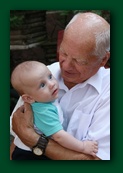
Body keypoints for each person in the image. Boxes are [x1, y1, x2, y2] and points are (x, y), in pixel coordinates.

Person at [10, 12, 110, 160]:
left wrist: (35, 140)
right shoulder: (43, 74)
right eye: (63, 53)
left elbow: (95, 161)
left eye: (79, 61)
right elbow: (19, 132)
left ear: (103, 60)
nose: (66, 66)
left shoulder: (108, 91)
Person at [11, 60, 98, 160]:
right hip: (29, 155)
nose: (51, 84)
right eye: (42, 85)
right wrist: (83, 147)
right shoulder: (44, 112)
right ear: (29, 98)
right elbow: (59, 137)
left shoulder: (44, 101)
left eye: (50, 77)